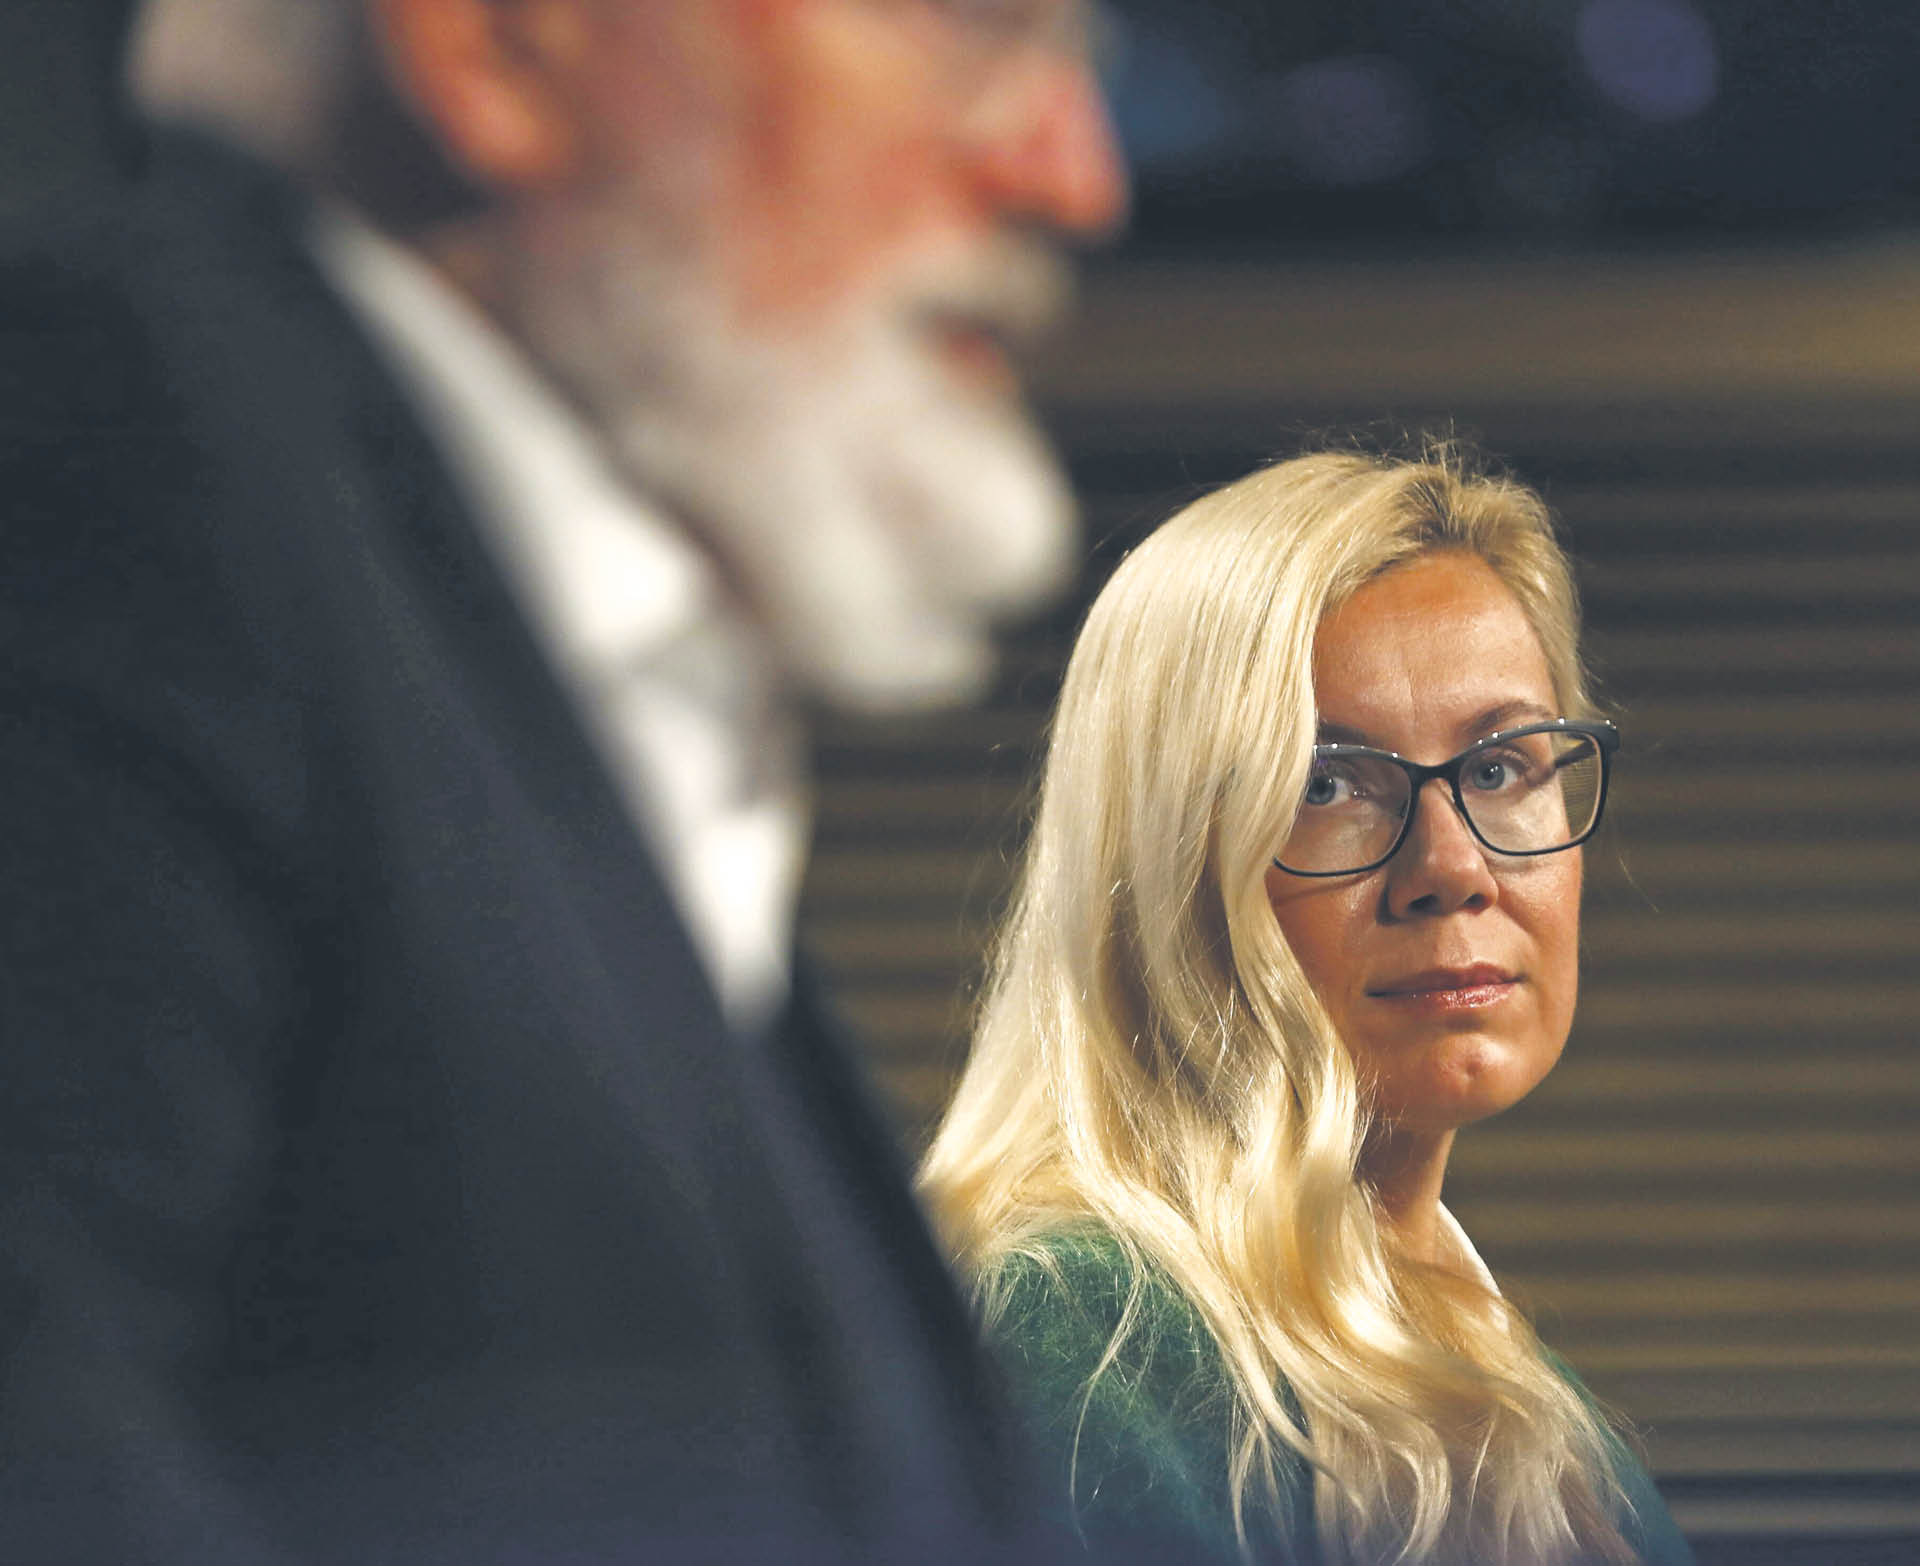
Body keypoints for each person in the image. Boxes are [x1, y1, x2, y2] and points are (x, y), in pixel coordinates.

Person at [0, 1, 1125, 1561]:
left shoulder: (507, 657)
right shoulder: (101, 459)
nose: (1074, 175)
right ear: (501, 45)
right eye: (968, 26)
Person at [917, 449, 1697, 1564]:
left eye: (1500, 769)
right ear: (1164, 857)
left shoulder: (1516, 1378)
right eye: (1326, 784)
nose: (1451, 868)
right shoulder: (1079, 1333)